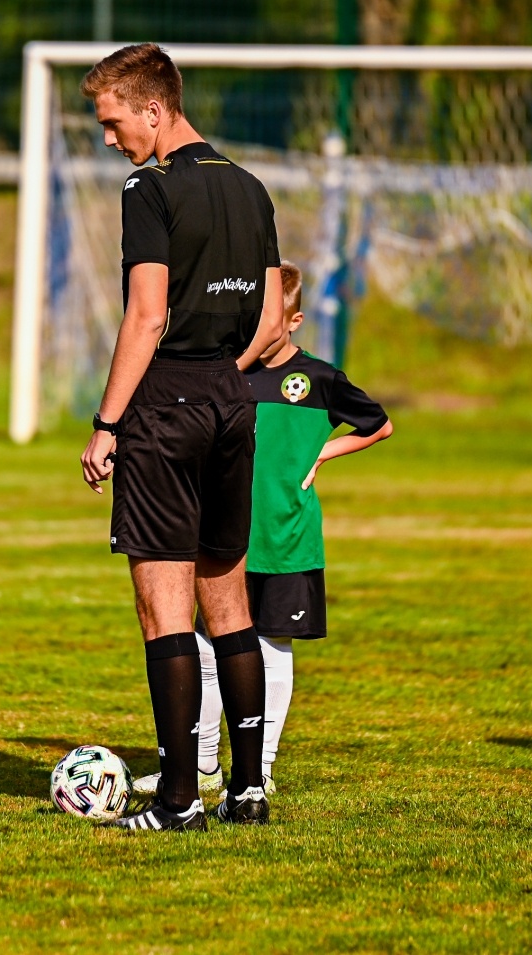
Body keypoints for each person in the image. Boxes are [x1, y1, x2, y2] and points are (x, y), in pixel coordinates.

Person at [78, 43, 286, 831]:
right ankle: (248, 789)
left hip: (166, 404)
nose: (110, 139)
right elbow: (272, 318)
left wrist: (107, 423)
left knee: (163, 610)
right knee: (227, 601)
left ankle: (176, 799)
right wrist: (222, 375)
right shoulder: (250, 186)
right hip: (234, 400)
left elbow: (147, 314)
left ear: (154, 109)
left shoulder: (150, 188)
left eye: (113, 122)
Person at [133, 261, 392, 800]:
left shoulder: (319, 379)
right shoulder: (230, 374)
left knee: (272, 646)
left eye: (268, 321)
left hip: (285, 540)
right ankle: (202, 764)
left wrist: (323, 452)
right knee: (205, 646)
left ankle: (262, 767)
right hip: (224, 537)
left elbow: (379, 424)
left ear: (292, 320)